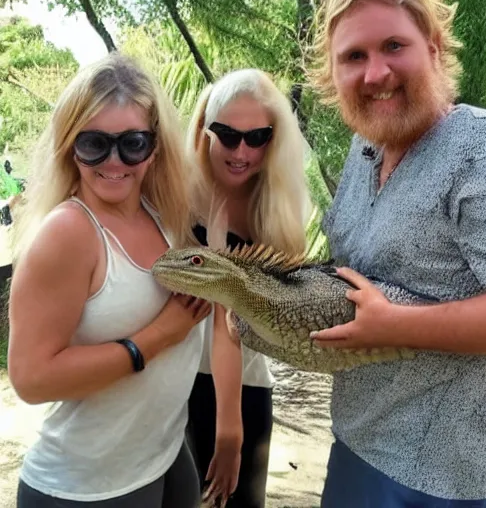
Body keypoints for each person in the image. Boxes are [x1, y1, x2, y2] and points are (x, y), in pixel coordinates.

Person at [307, 0, 486, 506]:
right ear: (332, 74)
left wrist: (393, 326)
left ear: (435, 49)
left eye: (394, 46)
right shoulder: (365, 149)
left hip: (452, 479)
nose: (376, 72)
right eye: (354, 56)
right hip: (357, 444)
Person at [7, 53, 211, 507]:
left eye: (132, 143)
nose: (114, 161)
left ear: (154, 146)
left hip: (163, 457)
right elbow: (31, 378)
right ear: (69, 145)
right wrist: (157, 336)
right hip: (88, 487)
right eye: (93, 144)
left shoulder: (162, 216)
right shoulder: (68, 233)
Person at [185, 68, 312, 507]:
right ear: (205, 130)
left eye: (257, 137)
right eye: (228, 134)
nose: (242, 151)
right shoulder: (177, 194)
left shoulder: (279, 206)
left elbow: (240, 317)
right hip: (173, 381)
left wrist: (231, 425)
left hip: (248, 385)